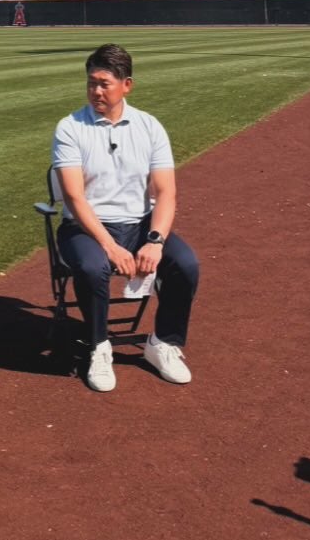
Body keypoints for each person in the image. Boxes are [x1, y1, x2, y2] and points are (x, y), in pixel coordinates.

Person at [52, 44, 199, 392]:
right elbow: (74, 197)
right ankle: (98, 347)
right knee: (92, 268)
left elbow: (166, 193)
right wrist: (109, 245)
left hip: (139, 225)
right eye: (91, 83)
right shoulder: (70, 127)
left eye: (104, 84)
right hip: (84, 228)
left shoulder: (150, 127)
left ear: (127, 85)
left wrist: (155, 241)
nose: (96, 91)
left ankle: (162, 344)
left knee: (186, 264)